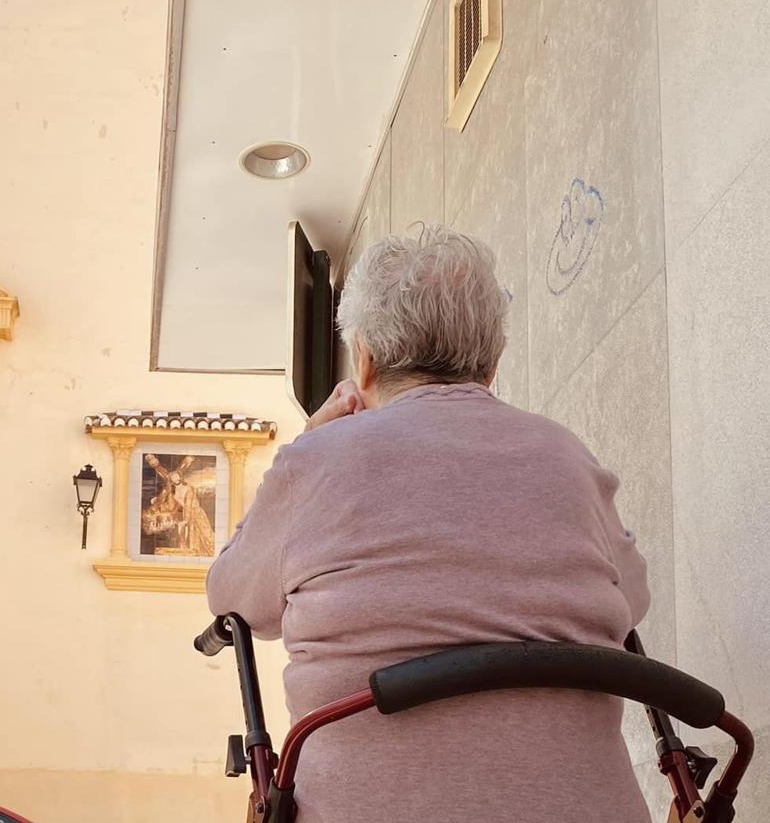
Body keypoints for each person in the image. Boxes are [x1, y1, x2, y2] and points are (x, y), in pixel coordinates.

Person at [207, 225, 651, 822]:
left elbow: (234, 600)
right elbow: (634, 601)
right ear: (490, 363)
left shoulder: (316, 462)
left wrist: (309, 444)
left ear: (363, 360)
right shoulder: (567, 456)